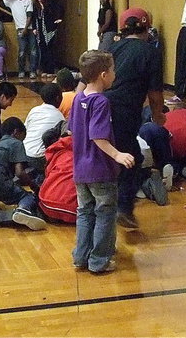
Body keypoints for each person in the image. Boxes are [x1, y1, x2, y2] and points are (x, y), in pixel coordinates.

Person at [70, 50, 134, 273]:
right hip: (100, 170)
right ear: (104, 75)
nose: (115, 74)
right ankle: (99, 260)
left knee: (85, 212)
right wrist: (117, 155)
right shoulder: (101, 102)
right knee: (105, 212)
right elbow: (97, 135)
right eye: (113, 70)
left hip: (80, 169)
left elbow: (73, 130)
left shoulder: (79, 98)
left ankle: (81, 256)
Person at [104, 8, 166, 228]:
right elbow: (155, 94)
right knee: (133, 160)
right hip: (125, 111)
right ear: (147, 27)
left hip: (99, 107)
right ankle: (122, 208)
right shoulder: (151, 52)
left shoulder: (112, 47)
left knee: (105, 157)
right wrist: (158, 116)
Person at [24, 83, 65, 176]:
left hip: (25, 153)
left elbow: (25, 129)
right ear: (58, 98)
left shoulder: (34, 110)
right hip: (41, 157)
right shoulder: (59, 116)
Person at [1, 0, 36, 77]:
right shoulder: (12, 1)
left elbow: (29, 16)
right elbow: (0, 1)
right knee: (22, 51)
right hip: (19, 28)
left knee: (33, 51)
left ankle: (32, 71)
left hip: (29, 28)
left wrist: (25, 29)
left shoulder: (28, 1)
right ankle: (21, 71)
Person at [33, 0, 62, 77]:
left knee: (50, 50)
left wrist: (58, 19)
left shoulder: (49, 4)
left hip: (49, 30)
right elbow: (34, 18)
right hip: (40, 31)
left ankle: (51, 70)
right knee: (43, 50)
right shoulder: (35, 6)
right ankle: (44, 70)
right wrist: (34, 28)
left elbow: (58, 10)